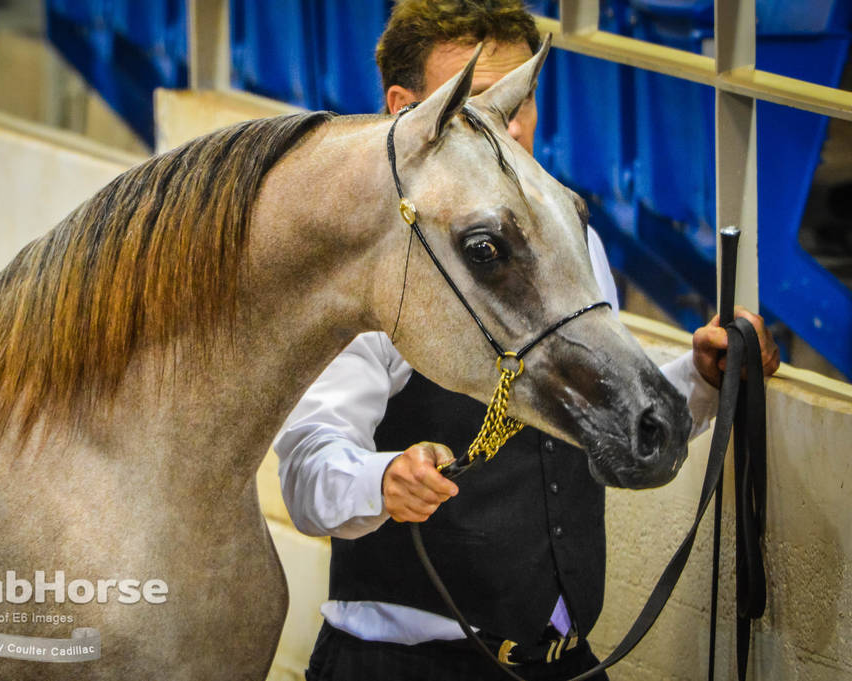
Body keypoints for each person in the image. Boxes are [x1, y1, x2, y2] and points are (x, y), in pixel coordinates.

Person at [274, 2, 782, 680]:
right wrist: (382, 479)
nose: (508, 129)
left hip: (563, 665)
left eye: (521, 101)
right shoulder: (366, 276)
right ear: (404, 109)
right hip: (404, 667)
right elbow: (306, 470)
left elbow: (610, 412)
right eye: (479, 103)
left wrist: (702, 378)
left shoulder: (576, 242)